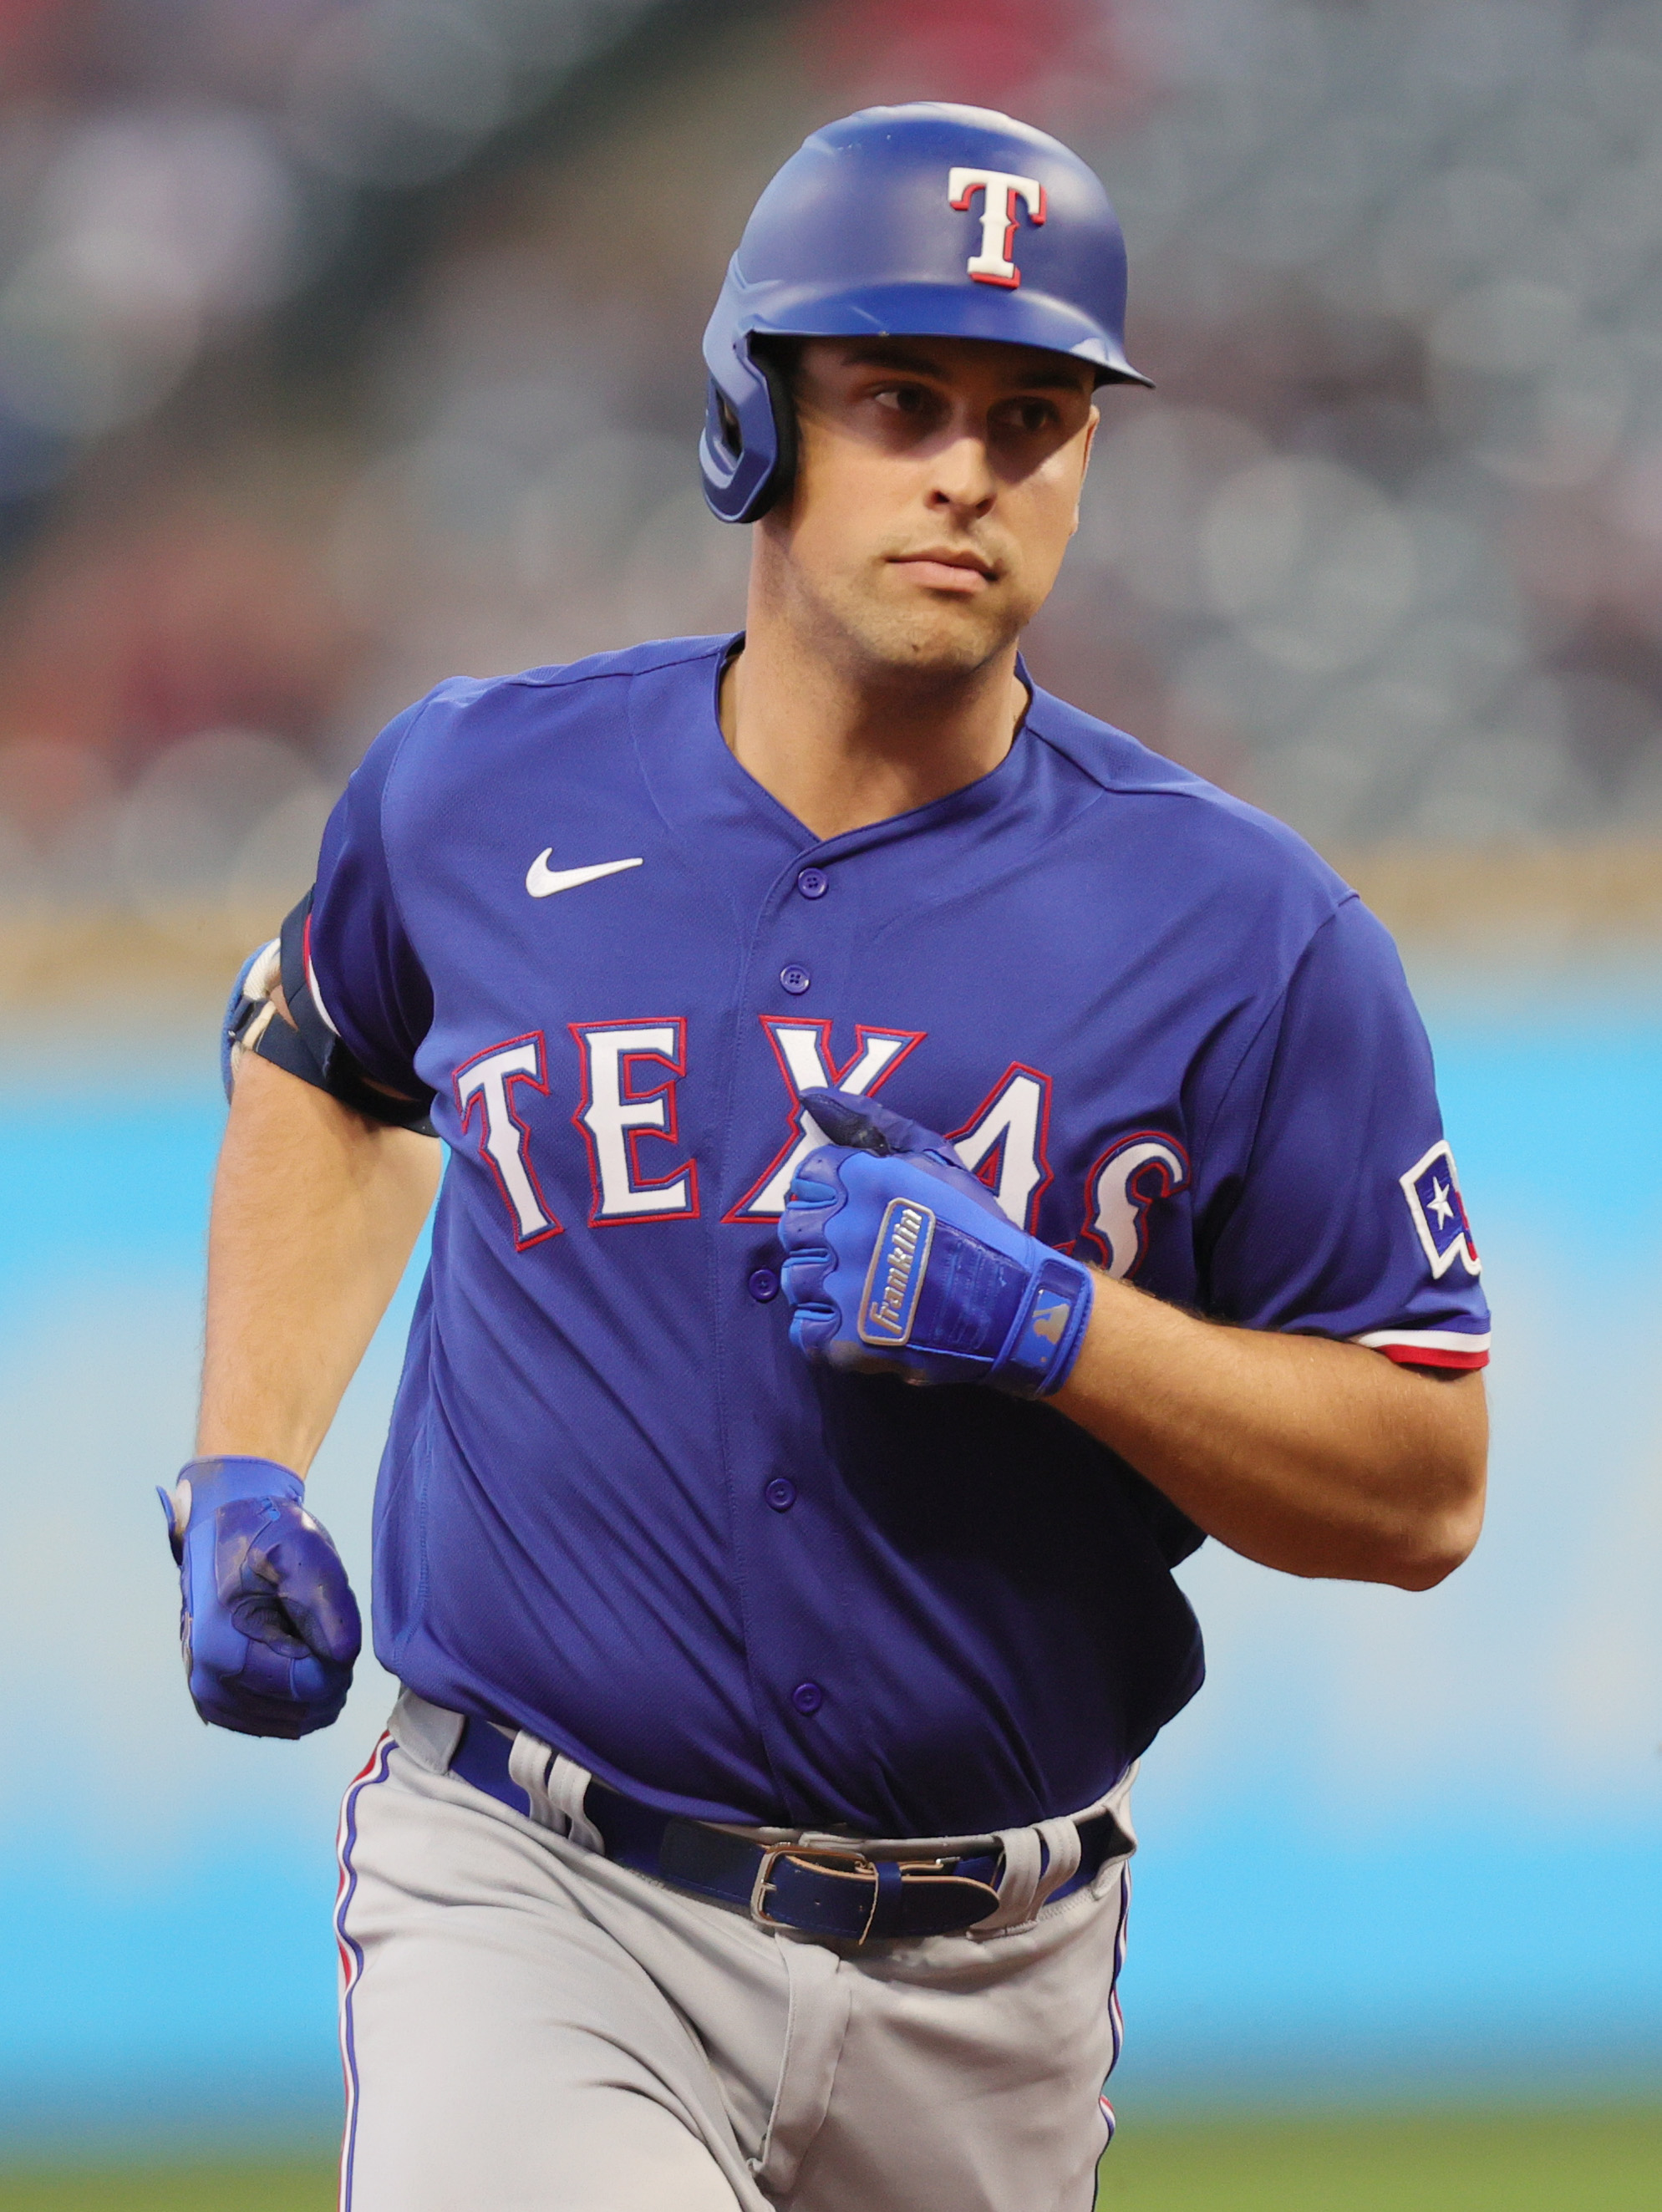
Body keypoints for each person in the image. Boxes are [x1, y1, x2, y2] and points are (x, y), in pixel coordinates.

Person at [162, 102, 1490, 2212]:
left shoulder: (1252, 938)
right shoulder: (476, 792)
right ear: (749, 420)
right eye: (895, 397)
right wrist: (245, 1464)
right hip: (537, 1890)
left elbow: (1422, 1479)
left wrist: (1059, 1328)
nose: (969, 464)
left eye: (1032, 414)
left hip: (994, 1981)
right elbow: (325, 1061)